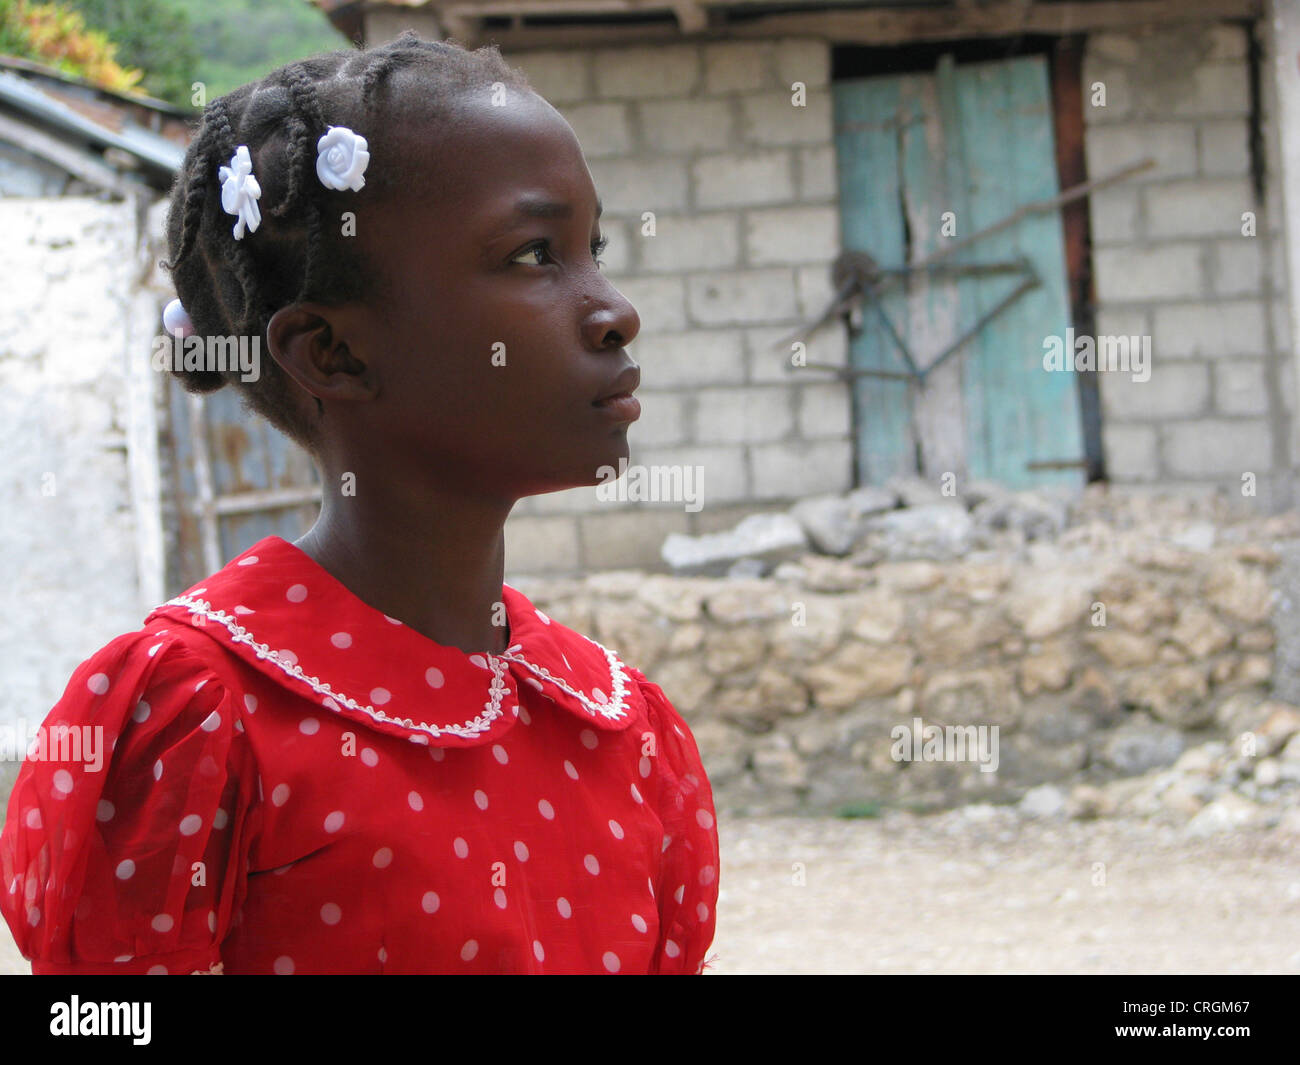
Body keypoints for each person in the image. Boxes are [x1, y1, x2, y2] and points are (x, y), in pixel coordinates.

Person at [0, 31, 719, 975]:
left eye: (596, 248)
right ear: (331, 353)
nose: (614, 307)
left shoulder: (620, 730)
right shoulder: (199, 719)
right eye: (535, 253)